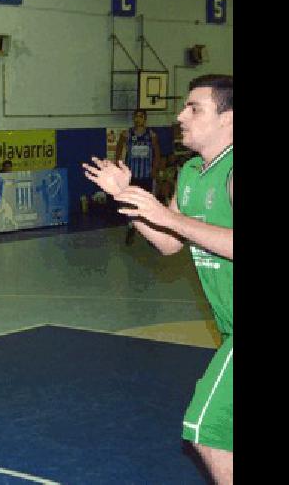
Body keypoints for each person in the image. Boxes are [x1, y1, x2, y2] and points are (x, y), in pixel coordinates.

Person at [82, 74, 233, 485]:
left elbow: (175, 224)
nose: (180, 115)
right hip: (228, 327)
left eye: (194, 108)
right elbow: (169, 244)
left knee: (206, 431)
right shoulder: (189, 174)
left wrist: (170, 217)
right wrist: (125, 197)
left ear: (229, 119)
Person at [114, 108, 163, 245]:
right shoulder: (127, 134)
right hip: (132, 176)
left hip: (146, 175)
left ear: (145, 119)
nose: (138, 119)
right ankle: (131, 227)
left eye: (141, 116)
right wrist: (118, 165)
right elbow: (118, 149)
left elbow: (157, 152)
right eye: (136, 116)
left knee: (147, 203)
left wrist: (155, 168)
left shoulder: (151, 135)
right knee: (130, 203)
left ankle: (149, 233)